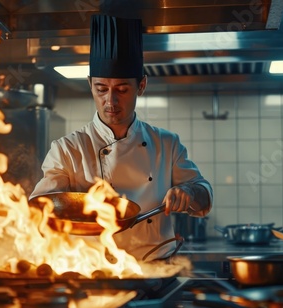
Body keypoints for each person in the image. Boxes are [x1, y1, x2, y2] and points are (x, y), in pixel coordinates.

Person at [30, 14, 213, 260]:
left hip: (156, 267)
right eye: (101, 89)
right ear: (90, 84)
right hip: (95, 273)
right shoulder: (67, 149)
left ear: (141, 86)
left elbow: (203, 194)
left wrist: (189, 192)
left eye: (122, 90)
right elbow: (42, 210)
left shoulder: (166, 144)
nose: (111, 101)